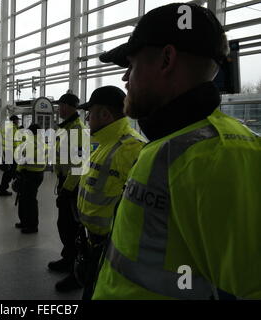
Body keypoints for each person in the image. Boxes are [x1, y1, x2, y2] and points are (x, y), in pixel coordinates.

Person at [93, 3, 261, 300]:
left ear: (166, 59)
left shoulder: (218, 155)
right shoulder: (173, 143)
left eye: (131, 65)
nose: (125, 78)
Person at [76, 86, 146, 299]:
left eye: (90, 113)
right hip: (94, 242)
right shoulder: (105, 144)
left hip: (112, 248)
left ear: (105, 115)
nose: (87, 118)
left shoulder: (132, 149)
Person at [48, 93, 87, 293]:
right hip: (65, 180)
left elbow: (79, 164)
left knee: (72, 225)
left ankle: (76, 268)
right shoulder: (66, 128)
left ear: (72, 107)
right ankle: (68, 257)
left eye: (62, 106)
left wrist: (68, 188)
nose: (59, 109)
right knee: (63, 222)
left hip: (74, 183)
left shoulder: (78, 130)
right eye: (59, 106)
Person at [14, 123, 46, 234]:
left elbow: (24, 158)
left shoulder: (31, 142)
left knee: (28, 200)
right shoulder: (42, 142)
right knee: (27, 199)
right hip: (38, 174)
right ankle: (25, 222)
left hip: (29, 174)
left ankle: (31, 225)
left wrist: (18, 171)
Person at [0, 115, 20, 196]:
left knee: (10, 171)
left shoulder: (6, 128)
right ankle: (3, 189)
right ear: (14, 121)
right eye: (17, 120)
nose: (18, 122)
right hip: (12, 153)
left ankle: (14, 187)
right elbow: (16, 143)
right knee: (11, 172)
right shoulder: (14, 129)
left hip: (7, 152)